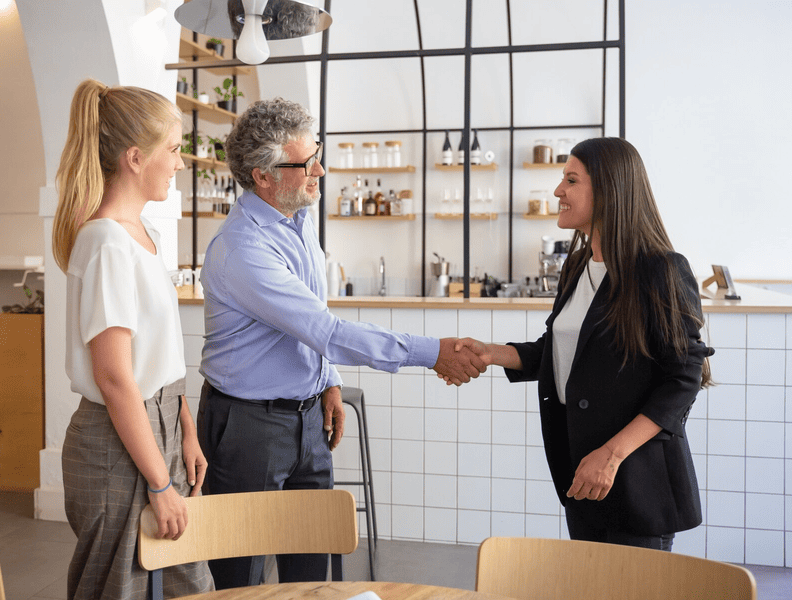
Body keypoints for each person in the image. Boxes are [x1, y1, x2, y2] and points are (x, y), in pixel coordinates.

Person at [197, 98, 485, 588]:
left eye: (318, 153)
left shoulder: (299, 220)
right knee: (242, 580)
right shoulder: (242, 247)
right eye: (305, 162)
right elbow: (325, 331)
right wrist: (432, 351)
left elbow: (313, 320)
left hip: (306, 416)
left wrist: (328, 381)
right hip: (248, 425)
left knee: (311, 573)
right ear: (262, 176)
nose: (321, 169)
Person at [447, 137, 713, 550]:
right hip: (582, 474)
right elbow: (558, 351)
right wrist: (492, 352)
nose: (558, 191)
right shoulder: (576, 266)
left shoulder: (661, 269)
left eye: (571, 180)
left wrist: (612, 454)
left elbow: (683, 378)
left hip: (635, 477)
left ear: (608, 190)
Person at [53, 78, 213, 599]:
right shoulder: (105, 242)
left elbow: (158, 353)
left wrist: (185, 427)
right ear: (134, 158)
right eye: (173, 149)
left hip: (156, 428)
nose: (180, 162)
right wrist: (160, 483)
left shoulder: (143, 234)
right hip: (116, 444)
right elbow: (116, 378)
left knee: (190, 582)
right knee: (118, 591)